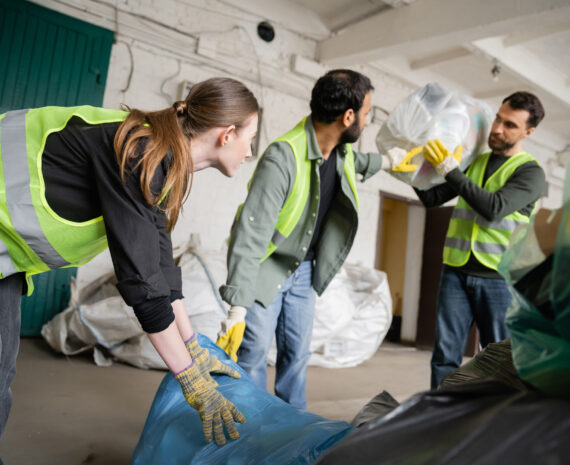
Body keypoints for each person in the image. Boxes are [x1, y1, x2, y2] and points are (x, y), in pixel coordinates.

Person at [0, 77, 259, 450]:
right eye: (251, 138)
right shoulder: (139, 152)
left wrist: (194, 346)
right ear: (228, 134)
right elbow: (144, 289)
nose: (250, 151)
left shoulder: (158, 158)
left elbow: (160, 267)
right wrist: (193, 381)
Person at [216, 69, 421, 409]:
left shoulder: (340, 152)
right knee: (251, 355)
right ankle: (248, 436)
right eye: (367, 114)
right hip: (267, 270)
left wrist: (389, 161)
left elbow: (359, 162)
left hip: (305, 272)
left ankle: (289, 432)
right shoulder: (283, 156)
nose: (367, 122)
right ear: (348, 116)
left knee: (296, 357)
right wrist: (238, 304)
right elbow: (251, 231)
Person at [415, 91, 547, 388]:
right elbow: (433, 197)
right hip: (456, 272)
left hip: (498, 279)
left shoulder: (531, 173)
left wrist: (450, 170)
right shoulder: (475, 160)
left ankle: (492, 426)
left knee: (499, 360)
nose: (498, 129)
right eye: (498, 119)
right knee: (445, 356)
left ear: (528, 131)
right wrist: (412, 171)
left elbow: (493, 208)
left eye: (510, 125)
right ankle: (440, 419)